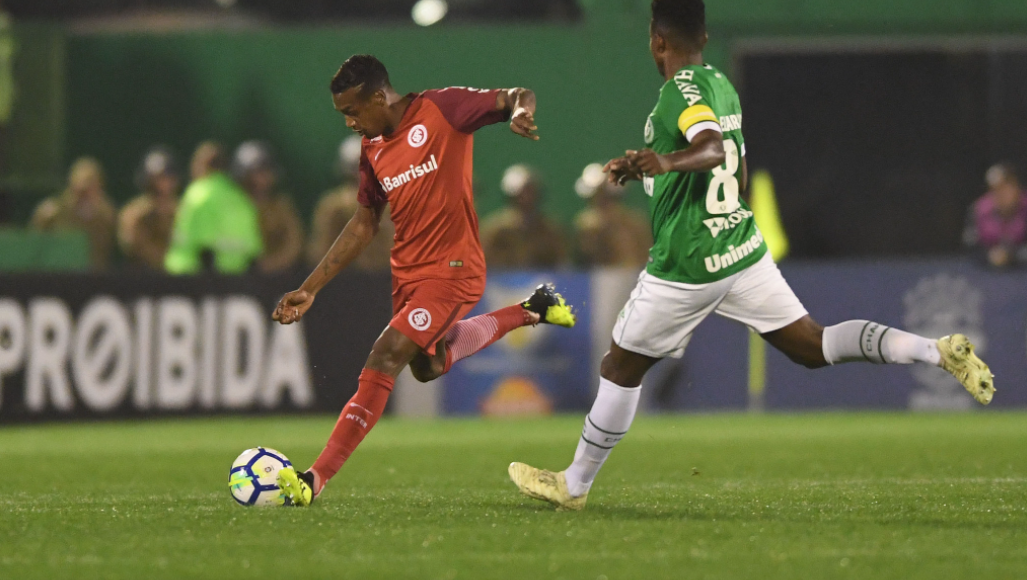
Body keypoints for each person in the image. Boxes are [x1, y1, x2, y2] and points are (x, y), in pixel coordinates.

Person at [508, 0, 995, 511]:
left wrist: (666, 161)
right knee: (812, 344)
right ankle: (935, 351)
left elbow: (713, 148)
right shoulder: (720, 83)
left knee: (621, 367)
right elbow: (734, 173)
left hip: (688, 262)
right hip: (740, 247)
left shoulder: (679, 90)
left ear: (656, 40)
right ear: (706, 38)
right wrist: (650, 170)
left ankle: (575, 485)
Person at [271, 54, 575, 506]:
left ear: (379, 96)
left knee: (385, 355)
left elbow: (514, 95)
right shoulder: (373, 147)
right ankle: (534, 308)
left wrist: (521, 110)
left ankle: (315, 478)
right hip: (408, 274)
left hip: (454, 269)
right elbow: (363, 223)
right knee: (427, 366)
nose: (350, 122)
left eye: (353, 111)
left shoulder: (442, 109)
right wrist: (311, 287)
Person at [164, 141, 263, 275]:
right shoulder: (241, 198)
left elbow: (202, 246)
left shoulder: (197, 194)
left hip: (192, 277)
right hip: (239, 277)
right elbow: (254, 248)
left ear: (201, 165)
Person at [307, 135, 395, 271]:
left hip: (387, 273)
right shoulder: (333, 205)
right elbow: (321, 249)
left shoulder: (392, 200)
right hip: (349, 278)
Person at [30, 156, 116, 270]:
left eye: (90, 187)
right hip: (56, 276)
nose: (84, 193)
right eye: (80, 189)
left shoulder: (107, 215)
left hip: (94, 279)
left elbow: (104, 251)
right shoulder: (50, 214)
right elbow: (35, 248)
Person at [232, 140, 305, 274]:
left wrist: (269, 265)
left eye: (265, 171)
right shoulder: (231, 207)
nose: (261, 178)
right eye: (255, 173)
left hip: (276, 278)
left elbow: (293, 244)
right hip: (235, 275)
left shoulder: (281, 206)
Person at [479, 164, 567, 269]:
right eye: (522, 193)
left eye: (530, 191)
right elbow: (482, 261)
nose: (527, 197)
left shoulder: (549, 228)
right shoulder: (495, 229)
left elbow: (562, 264)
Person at [572, 162, 652, 268]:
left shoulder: (634, 224)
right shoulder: (585, 225)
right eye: (596, 197)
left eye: (604, 196)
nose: (600, 201)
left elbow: (645, 258)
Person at [117, 146, 180, 270]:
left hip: (176, 280)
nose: (160, 184)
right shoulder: (134, 214)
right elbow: (131, 245)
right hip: (141, 281)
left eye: (165, 177)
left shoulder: (182, 212)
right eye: (155, 179)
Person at [964, 163, 1027, 269]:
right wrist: (989, 255)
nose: (1000, 193)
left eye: (1005, 187)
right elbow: (970, 244)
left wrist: (1011, 255)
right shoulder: (979, 209)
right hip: (989, 273)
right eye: (995, 189)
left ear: (1015, 185)